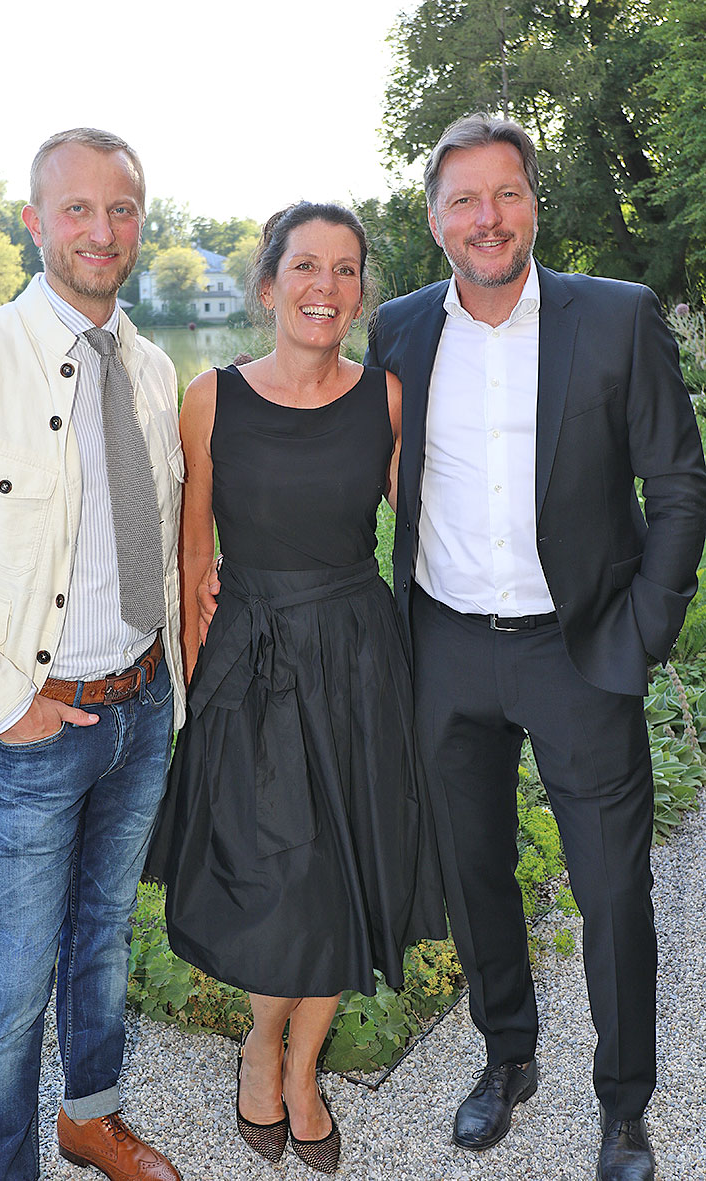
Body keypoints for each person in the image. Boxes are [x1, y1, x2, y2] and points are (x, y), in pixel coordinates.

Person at [363, 113, 706, 1180]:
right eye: (463, 199)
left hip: (580, 647)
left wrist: (645, 627)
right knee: (474, 873)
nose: (487, 217)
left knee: (611, 892)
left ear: (533, 205)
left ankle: (624, 1104)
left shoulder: (615, 316)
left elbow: (677, 481)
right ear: (434, 220)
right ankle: (506, 1055)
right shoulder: (399, 330)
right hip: (446, 645)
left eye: (504, 193)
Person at [149, 201, 447, 1174]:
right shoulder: (211, 397)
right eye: (306, 266)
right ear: (269, 284)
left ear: (360, 293)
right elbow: (194, 550)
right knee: (275, 882)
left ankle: (302, 1068)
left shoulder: (387, 398)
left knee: (342, 876)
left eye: (345, 268)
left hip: (359, 663)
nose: (326, 285)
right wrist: (194, 692)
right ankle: (258, 1047)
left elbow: (432, 526)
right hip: (250, 665)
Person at [0, 128, 185, 1181]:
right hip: (31, 726)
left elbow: (157, 536)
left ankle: (91, 1117)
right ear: (35, 222)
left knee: (105, 939)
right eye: (77, 208)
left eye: (120, 209)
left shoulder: (153, 368)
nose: (100, 229)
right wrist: (7, 704)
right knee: (12, 988)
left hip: (140, 707)